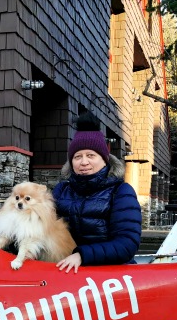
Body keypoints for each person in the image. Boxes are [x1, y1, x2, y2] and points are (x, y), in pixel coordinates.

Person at [52, 113, 142, 273]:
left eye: (91, 155)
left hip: (111, 277)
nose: (84, 162)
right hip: (66, 272)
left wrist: (82, 255)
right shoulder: (61, 190)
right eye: (77, 156)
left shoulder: (121, 192)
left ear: (104, 159)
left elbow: (127, 244)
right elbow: (43, 228)